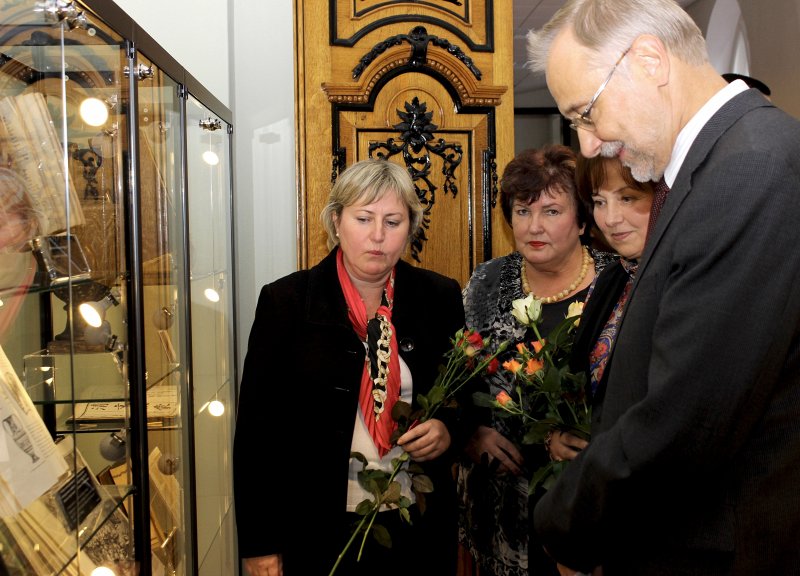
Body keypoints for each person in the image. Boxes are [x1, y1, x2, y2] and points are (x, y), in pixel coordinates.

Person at [526, 0, 800, 574]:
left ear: (649, 59)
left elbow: (685, 420)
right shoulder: (717, 161)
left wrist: (562, 526)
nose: (588, 145)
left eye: (586, 113)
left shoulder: (750, 166)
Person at [233, 158, 467, 576]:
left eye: (393, 221)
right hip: (315, 532)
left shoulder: (439, 296)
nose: (378, 236)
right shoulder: (285, 302)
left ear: (410, 228)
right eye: (364, 218)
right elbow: (256, 434)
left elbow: (465, 401)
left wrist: (448, 430)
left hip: (416, 524)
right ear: (336, 221)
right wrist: (259, 544)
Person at [456, 145, 614, 576]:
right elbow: (459, 381)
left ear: (583, 220)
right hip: (501, 510)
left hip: (588, 500)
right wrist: (471, 433)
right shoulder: (486, 282)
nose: (534, 227)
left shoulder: (618, 285)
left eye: (551, 211)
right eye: (523, 212)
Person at [548, 155, 654, 465]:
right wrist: (559, 436)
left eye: (627, 197)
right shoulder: (612, 276)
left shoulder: (685, 282)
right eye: (599, 201)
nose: (609, 218)